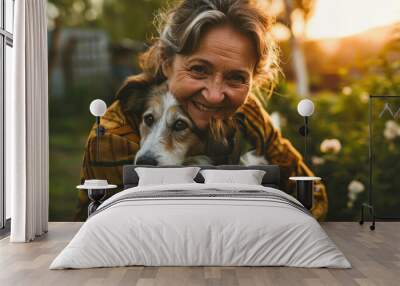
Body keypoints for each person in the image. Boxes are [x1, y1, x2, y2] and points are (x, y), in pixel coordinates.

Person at [78, 0, 328, 221]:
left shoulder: (248, 113)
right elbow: (121, 224)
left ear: (253, 80)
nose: (214, 95)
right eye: (199, 69)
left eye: (236, 77)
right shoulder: (113, 136)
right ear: (166, 63)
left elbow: (312, 195)